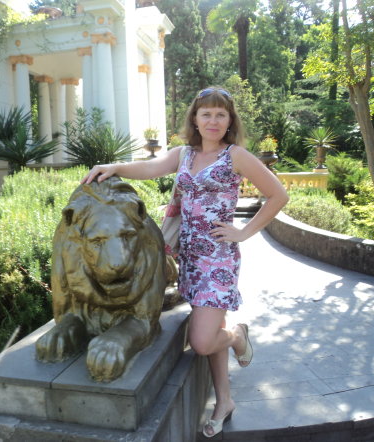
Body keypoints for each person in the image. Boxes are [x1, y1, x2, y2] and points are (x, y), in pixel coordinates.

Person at [81, 86, 288, 438]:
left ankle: (238, 335)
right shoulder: (184, 155)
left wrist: (243, 232)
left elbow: (278, 195)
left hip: (218, 259)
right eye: (206, 114)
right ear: (195, 118)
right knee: (211, 328)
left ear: (230, 121)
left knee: (204, 341)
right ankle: (224, 401)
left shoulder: (236, 155)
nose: (213, 120)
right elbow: (149, 167)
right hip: (189, 256)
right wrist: (113, 166)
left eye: (220, 114)